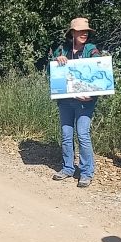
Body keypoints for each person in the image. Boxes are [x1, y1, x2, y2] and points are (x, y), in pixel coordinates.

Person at [51, 17, 101, 188]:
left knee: (82, 134)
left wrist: (91, 95)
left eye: (86, 31)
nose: (84, 33)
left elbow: (99, 71)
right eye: (80, 31)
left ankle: (86, 172)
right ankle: (68, 168)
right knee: (66, 134)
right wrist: (57, 60)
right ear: (72, 33)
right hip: (65, 101)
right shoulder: (62, 49)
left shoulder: (92, 50)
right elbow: (52, 70)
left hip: (85, 102)